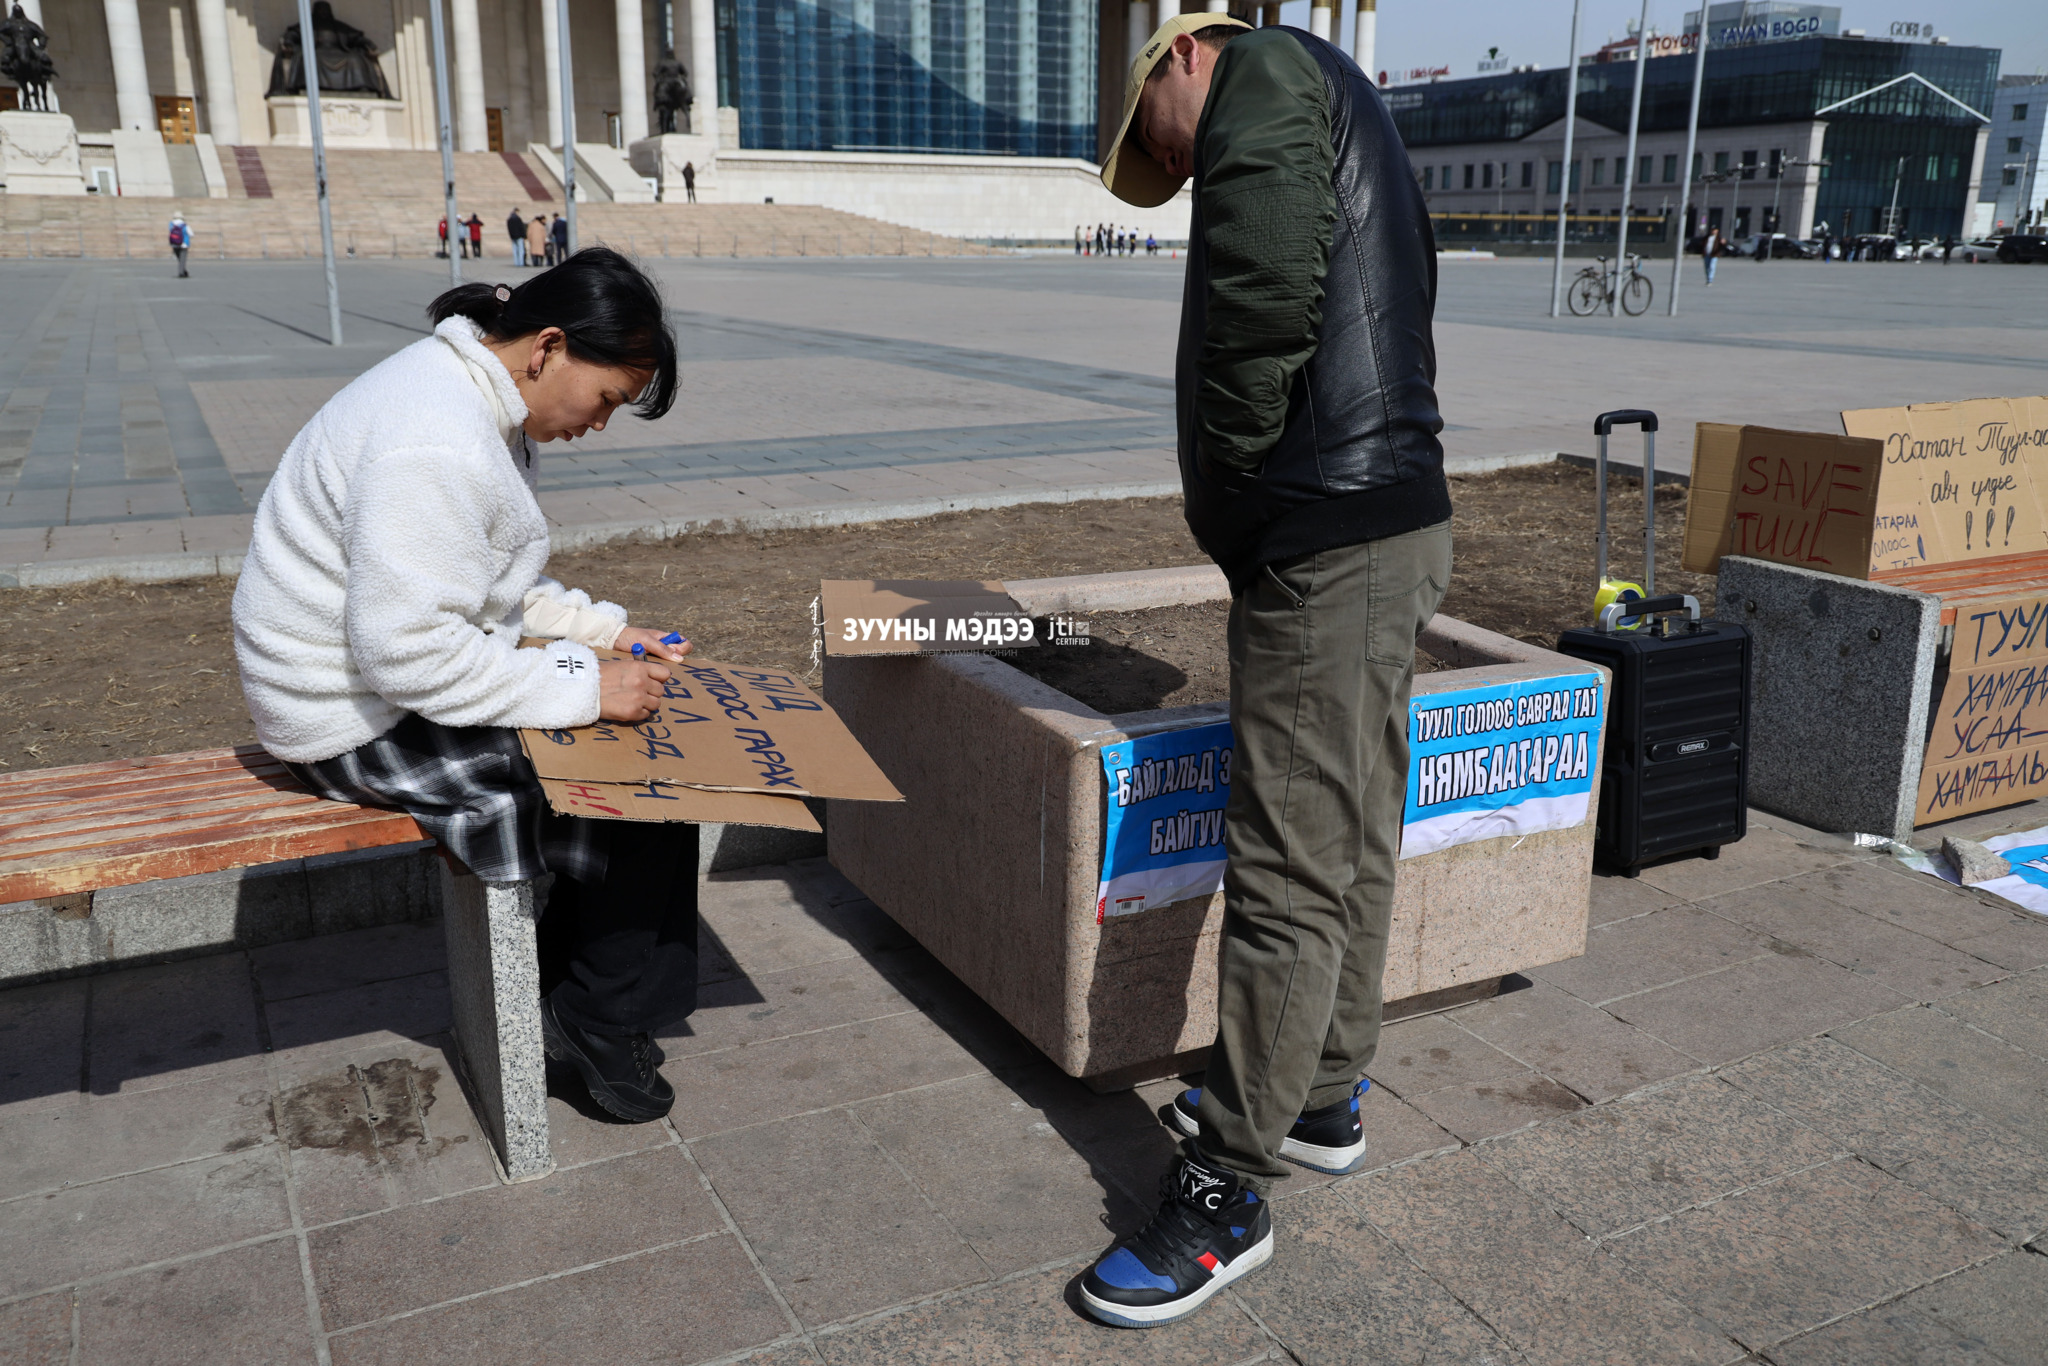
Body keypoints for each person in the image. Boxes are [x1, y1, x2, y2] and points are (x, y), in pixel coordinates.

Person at [1083, 13, 1450, 1328]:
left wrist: (1239, 476)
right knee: (1351, 828)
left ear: (1180, 53)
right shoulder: (1333, 91)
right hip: (1383, 514)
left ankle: (1225, 1190)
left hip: (1322, 529)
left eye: (1155, 142)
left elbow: (1259, 294)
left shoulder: (1262, 76)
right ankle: (1322, 1093)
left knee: (1289, 858)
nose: (1169, 168)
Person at [232, 248, 697, 1124]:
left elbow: (478, 583)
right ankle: (596, 1016)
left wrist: (603, 633)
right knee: (645, 785)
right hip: (348, 720)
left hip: (373, 686)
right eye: (606, 398)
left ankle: (576, 995)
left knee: (645, 775)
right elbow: (411, 655)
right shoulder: (436, 436)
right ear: (548, 347)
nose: (599, 424)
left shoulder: (470, 398)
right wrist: (586, 687)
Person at [168, 212, 192, 277]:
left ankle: (184, 271)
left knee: (179, 259)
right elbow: (191, 234)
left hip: (174, 243)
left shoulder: (171, 224)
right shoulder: (184, 225)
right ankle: (181, 272)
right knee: (182, 259)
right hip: (184, 244)